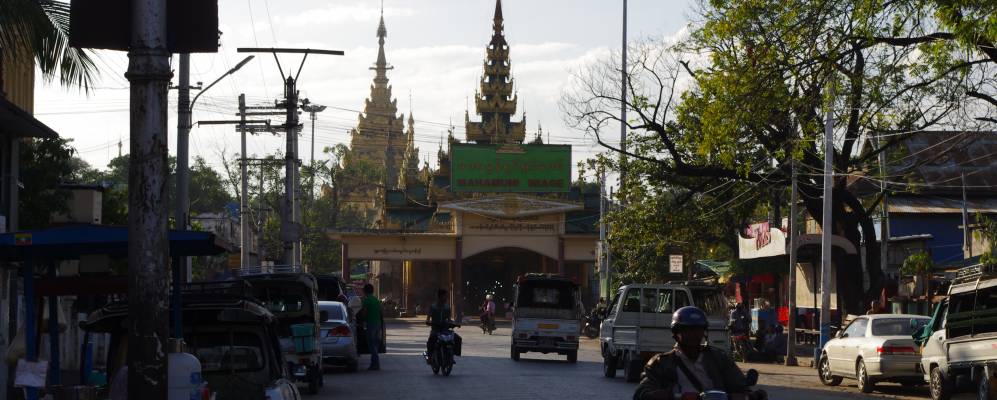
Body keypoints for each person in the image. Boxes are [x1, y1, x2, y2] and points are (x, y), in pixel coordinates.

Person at [634, 306, 751, 400]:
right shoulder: (660, 363)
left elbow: (741, 387)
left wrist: (749, 395)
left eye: (698, 330)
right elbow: (642, 392)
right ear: (676, 333)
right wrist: (667, 395)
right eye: (688, 330)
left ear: (704, 332)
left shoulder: (719, 358)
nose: (693, 335)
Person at [426, 289, 462, 359]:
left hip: (445, 329)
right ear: (439, 297)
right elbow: (428, 319)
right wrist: (428, 322)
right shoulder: (433, 307)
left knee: (457, 338)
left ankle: (452, 354)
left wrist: (455, 323)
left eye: (446, 296)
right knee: (431, 339)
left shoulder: (447, 307)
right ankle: (430, 356)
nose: (445, 298)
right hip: (436, 329)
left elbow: (449, 319)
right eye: (444, 296)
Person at [359, 283, 383, 371]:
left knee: (372, 345)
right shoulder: (376, 300)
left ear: (365, 291)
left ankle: (375, 364)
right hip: (378, 324)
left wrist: (362, 320)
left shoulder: (366, 300)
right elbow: (381, 312)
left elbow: (364, 313)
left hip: (370, 324)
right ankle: (374, 364)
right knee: (375, 345)